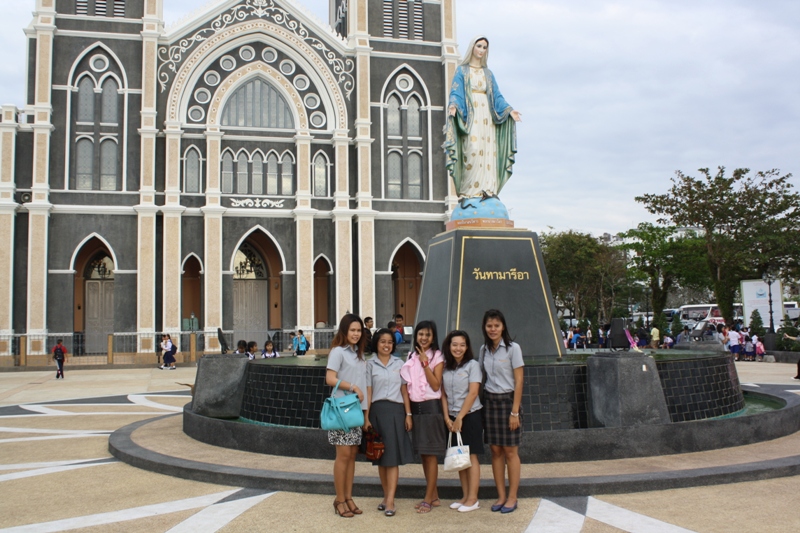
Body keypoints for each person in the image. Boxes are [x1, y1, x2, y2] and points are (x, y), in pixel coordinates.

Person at [444, 36, 521, 203]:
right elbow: (456, 92)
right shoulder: (462, 71)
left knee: (487, 151)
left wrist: (509, 111)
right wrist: (453, 106)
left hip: (486, 116)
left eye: (484, 47)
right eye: (479, 46)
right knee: (472, 148)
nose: (481, 50)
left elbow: (497, 96)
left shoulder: (488, 74)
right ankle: (469, 191)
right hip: (471, 116)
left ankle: (487, 189)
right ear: (472, 47)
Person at [365, 328, 413, 517]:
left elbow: (404, 391)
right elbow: (368, 392)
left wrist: (408, 414)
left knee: (392, 459)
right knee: (381, 458)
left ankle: (391, 500)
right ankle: (385, 496)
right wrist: (366, 417)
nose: (386, 345)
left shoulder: (399, 364)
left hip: (395, 412)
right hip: (377, 412)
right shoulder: (369, 365)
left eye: (390, 342)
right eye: (383, 341)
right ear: (376, 343)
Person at [479, 309, 523, 514]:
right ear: (485, 328)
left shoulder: (513, 349)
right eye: (489, 326)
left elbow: (519, 380)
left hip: (507, 403)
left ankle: (512, 497)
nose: (493, 329)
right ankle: (501, 496)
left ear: (503, 326)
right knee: (495, 451)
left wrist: (515, 412)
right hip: (490, 402)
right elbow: (480, 378)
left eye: (496, 325)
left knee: (510, 451)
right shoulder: (483, 350)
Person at [400, 320, 445, 514]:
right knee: (424, 456)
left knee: (430, 455)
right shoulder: (411, 356)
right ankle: (433, 495)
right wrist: (408, 413)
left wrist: (425, 363)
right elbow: (406, 388)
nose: (424, 338)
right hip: (416, 410)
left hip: (431, 409)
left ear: (433, 337)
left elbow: (436, 385)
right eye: (420, 334)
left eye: (428, 335)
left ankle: (428, 498)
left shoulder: (438, 356)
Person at [325, 314, 368, 518]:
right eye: (352, 330)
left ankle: (349, 497)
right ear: (344, 331)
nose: (356, 334)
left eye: (359, 330)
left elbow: (364, 388)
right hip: (341, 410)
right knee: (342, 456)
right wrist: (352, 387)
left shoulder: (358, 355)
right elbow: (330, 378)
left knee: (351, 456)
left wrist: (366, 413)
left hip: (355, 412)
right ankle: (339, 499)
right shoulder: (338, 351)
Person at [441, 330, 483, 513]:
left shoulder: (472, 365)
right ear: (449, 346)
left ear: (467, 347)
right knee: (459, 456)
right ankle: (465, 496)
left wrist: (460, 418)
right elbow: (442, 394)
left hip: (470, 415)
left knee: (471, 456)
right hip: (451, 417)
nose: (458, 348)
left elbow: (473, 393)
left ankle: (473, 498)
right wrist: (446, 417)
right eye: (454, 344)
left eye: (462, 345)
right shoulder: (445, 367)